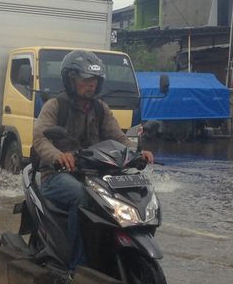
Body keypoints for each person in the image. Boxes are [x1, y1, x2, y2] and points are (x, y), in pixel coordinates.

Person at [32, 50, 154, 272]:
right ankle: (76, 269)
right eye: (86, 79)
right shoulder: (55, 106)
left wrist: (137, 153)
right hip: (57, 175)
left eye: (94, 80)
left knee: (131, 192)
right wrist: (59, 156)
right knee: (82, 197)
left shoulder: (100, 108)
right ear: (71, 79)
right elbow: (40, 138)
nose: (91, 85)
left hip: (94, 174)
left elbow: (118, 136)